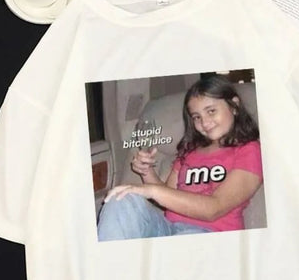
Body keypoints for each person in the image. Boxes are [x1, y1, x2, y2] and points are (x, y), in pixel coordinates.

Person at [97, 75, 263, 241]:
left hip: (210, 234)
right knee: (121, 200)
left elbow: (214, 208)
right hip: (167, 227)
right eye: (197, 117)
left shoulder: (249, 150)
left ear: (234, 106)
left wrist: (150, 191)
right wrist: (147, 172)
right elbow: (168, 195)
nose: (204, 122)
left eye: (211, 111)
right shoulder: (190, 151)